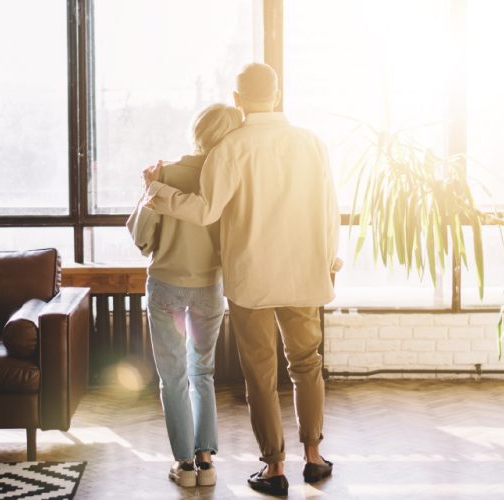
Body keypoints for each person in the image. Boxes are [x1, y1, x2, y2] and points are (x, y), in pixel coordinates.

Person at [144, 63, 340, 497]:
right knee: (307, 365)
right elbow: (329, 210)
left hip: (252, 279)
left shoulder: (231, 148)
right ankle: (313, 457)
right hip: (305, 273)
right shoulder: (312, 143)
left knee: (261, 375)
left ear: (237, 99)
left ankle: (274, 467)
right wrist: (329, 260)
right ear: (278, 92)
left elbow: (205, 211)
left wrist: (159, 193)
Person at [127, 103, 243, 488]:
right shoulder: (229, 178)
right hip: (210, 287)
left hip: (166, 286)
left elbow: (143, 239)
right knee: (202, 372)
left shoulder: (166, 175)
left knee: (173, 377)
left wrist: (149, 189)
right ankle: (206, 462)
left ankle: (184, 466)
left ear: (197, 130)